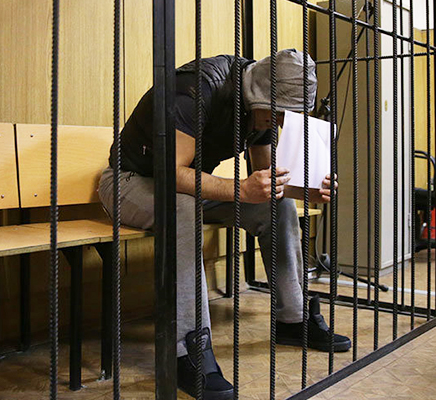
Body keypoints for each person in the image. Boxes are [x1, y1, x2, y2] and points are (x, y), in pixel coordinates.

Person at [98, 49, 351, 400]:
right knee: (182, 209)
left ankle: (293, 320)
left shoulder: (261, 111)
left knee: (278, 207)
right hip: (130, 182)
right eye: (278, 114)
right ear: (259, 94)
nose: (280, 123)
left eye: (288, 117)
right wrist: (241, 189)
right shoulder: (195, 89)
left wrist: (305, 191)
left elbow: (266, 179)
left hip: (188, 188)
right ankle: (187, 350)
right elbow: (170, 172)